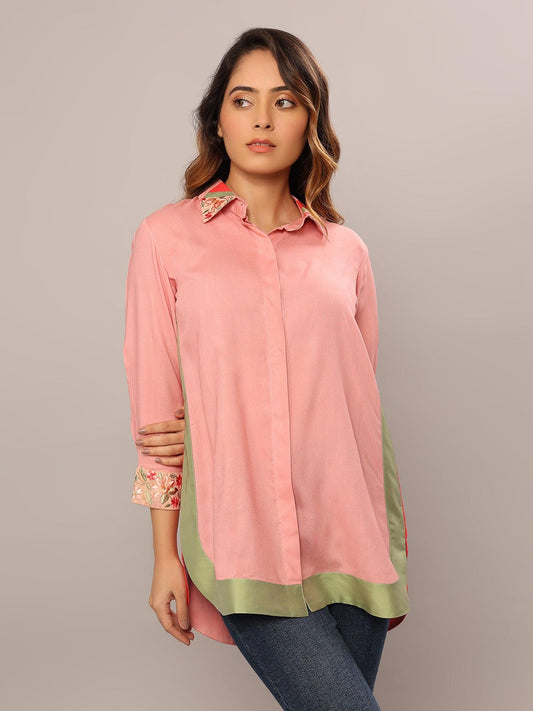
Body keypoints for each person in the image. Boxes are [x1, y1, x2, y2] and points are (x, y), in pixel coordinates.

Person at [123, 27, 409, 711]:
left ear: (310, 120)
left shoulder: (346, 251)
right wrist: (164, 554)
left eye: (283, 101)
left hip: (351, 534)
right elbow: (157, 415)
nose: (261, 119)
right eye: (242, 100)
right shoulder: (165, 238)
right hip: (240, 536)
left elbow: (354, 404)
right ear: (217, 120)